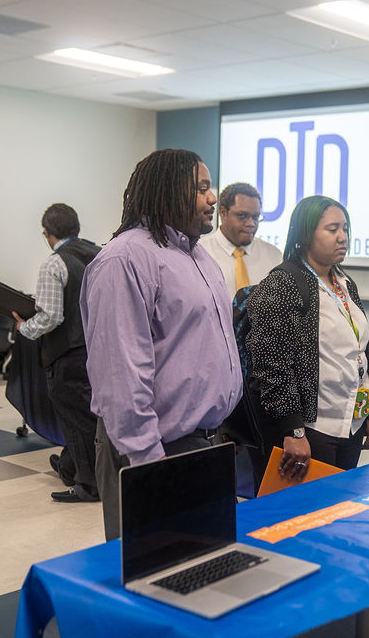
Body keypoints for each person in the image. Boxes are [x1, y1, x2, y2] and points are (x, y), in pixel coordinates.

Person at [81, 148, 242, 540]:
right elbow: (121, 374)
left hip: (202, 441)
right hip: (152, 448)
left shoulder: (200, 258)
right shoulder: (125, 259)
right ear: (168, 190)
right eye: (202, 188)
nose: (212, 198)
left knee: (206, 562)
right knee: (155, 575)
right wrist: (149, 463)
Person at [246, 195, 369, 479]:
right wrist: (292, 429)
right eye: (332, 230)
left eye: (345, 228)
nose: (342, 237)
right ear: (306, 235)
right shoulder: (282, 283)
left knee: (340, 510)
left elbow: (361, 351)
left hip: (350, 423)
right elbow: (272, 365)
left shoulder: (344, 283)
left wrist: (367, 415)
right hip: (311, 429)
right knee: (307, 517)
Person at [13, 204, 101, 504]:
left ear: (47, 234)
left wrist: (25, 327)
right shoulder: (99, 255)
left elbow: (51, 317)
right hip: (100, 350)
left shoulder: (53, 264)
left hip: (68, 354)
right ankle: (70, 464)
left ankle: (88, 485)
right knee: (93, 414)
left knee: (76, 418)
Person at [204, 182, 283, 296]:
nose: (251, 223)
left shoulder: (274, 257)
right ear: (223, 213)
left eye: (255, 217)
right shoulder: (200, 253)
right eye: (242, 215)